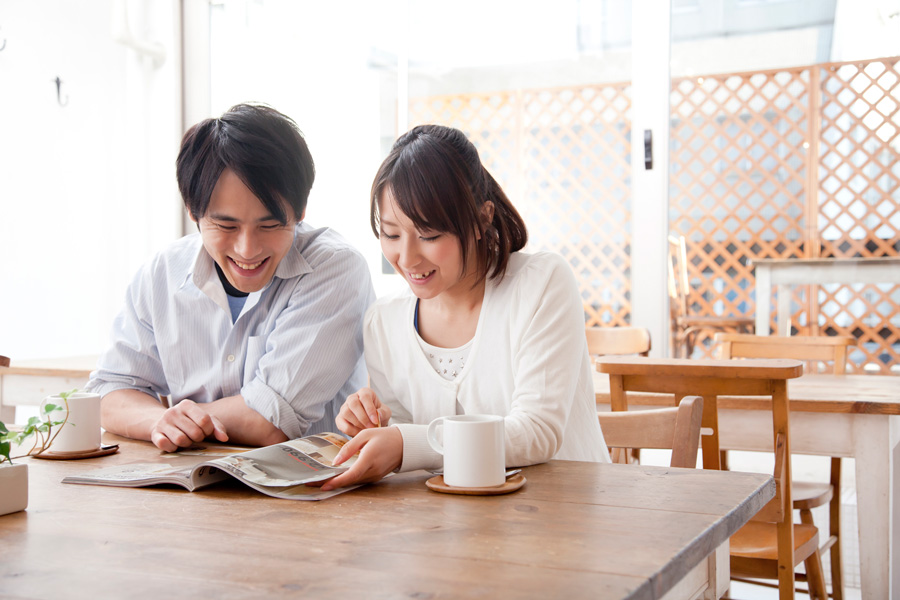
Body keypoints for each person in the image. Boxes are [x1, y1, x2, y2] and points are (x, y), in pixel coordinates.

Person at [318, 124, 609, 491]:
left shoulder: (541, 283)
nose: (406, 258)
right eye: (391, 234)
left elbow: (538, 431)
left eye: (429, 235)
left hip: (566, 519)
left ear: (481, 219)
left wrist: (407, 443)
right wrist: (377, 429)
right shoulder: (384, 321)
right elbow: (413, 452)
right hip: (452, 531)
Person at [87, 103, 375, 452]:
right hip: (186, 491)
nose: (248, 249)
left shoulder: (335, 269)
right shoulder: (162, 274)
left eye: (270, 225)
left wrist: (182, 420)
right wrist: (158, 421)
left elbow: (270, 421)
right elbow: (109, 391)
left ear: (300, 212)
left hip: (309, 495)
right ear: (193, 211)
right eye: (226, 225)